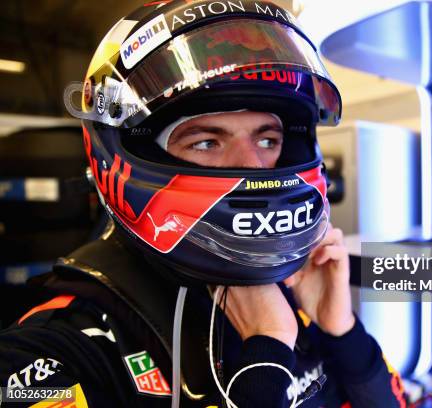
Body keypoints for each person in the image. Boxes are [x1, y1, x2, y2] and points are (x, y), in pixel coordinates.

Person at [0, 1, 408, 407]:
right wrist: (264, 360)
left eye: (268, 140)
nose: (253, 167)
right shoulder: (58, 350)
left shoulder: (293, 295)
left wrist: (342, 330)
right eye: (207, 142)